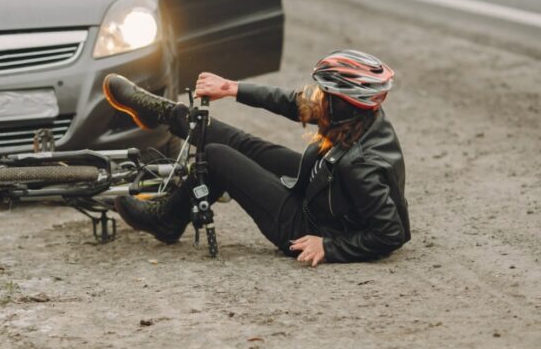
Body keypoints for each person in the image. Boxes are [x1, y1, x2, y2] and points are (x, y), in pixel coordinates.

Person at [102, 50, 410, 265]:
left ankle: (166, 220)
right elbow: (294, 103)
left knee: (217, 156)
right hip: (322, 189)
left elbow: (391, 232)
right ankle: (168, 114)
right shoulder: (357, 117)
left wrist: (329, 247)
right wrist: (232, 88)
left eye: (326, 94)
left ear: (346, 103)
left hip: (304, 225)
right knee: (246, 143)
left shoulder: (360, 166)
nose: (319, 98)